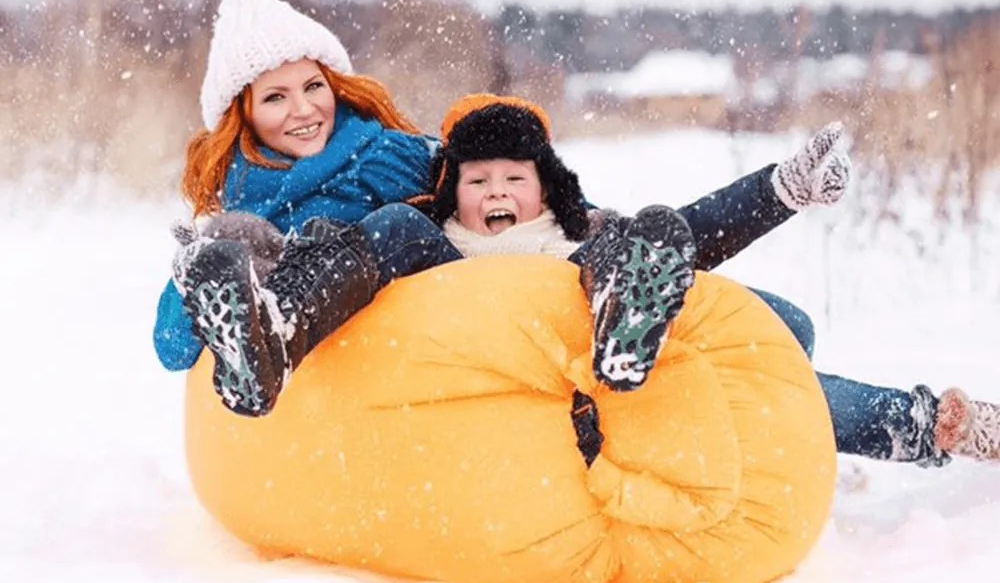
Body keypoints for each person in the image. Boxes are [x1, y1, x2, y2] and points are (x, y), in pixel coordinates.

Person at [155, 0, 1000, 466]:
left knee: (764, 333)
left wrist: (778, 189)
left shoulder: (412, 163)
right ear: (242, 114)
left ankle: (932, 421)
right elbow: (171, 340)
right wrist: (210, 267)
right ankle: (272, 328)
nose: (303, 109)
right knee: (385, 238)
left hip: (562, 331)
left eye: (313, 87)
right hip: (408, 348)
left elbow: (680, 228)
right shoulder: (342, 219)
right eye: (276, 96)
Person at [175, 92, 699, 416]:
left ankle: (622, 334)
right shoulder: (427, 232)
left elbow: (700, 235)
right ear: (452, 187)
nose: (497, 192)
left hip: (559, 335)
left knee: (642, 235)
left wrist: (781, 189)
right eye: (478, 180)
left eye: (516, 177)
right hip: (462, 323)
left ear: (546, 186)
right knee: (392, 225)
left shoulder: (581, 227)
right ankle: (275, 341)